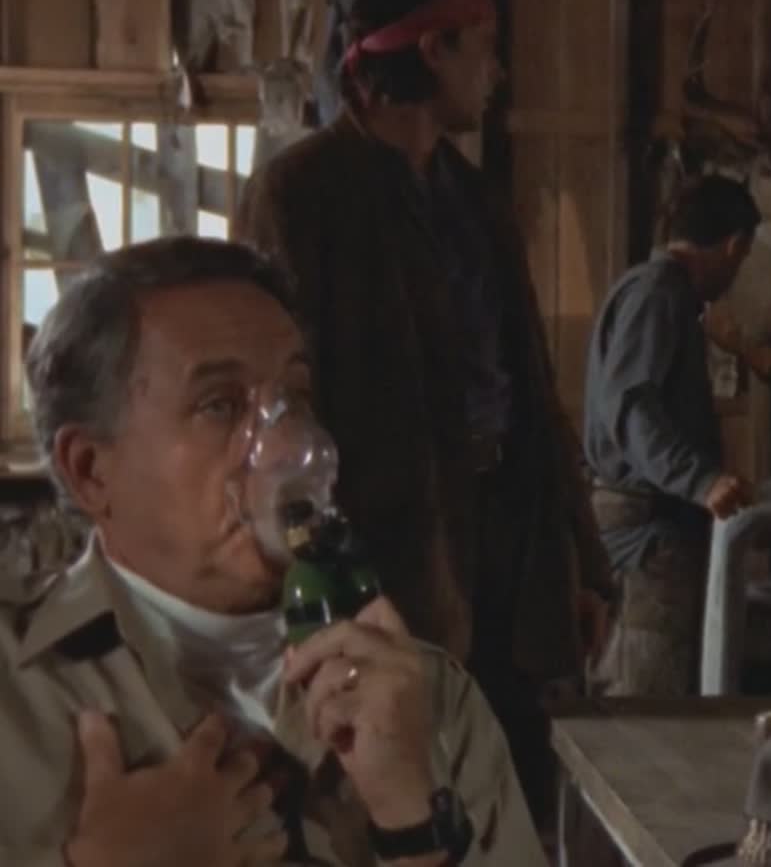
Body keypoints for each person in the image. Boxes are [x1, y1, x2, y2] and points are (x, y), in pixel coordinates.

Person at [1, 237, 544, 865]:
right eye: (220, 406)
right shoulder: (16, 692)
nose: (286, 445)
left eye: (295, 399)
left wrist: (414, 822)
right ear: (90, 470)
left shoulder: (425, 698)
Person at [239, 0, 612, 830]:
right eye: (484, 46)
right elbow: (275, 406)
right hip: (385, 556)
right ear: (433, 49)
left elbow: (532, 388)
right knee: (393, 798)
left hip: (510, 543)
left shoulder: (475, 198)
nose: (498, 70)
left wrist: (581, 559)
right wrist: (305, 572)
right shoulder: (303, 193)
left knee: (513, 794)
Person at [583, 175, 760, 695]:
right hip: (648, 533)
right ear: (734, 246)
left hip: (652, 525)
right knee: (646, 696)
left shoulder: (657, 291)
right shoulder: (659, 291)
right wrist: (701, 480)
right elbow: (630, 406)